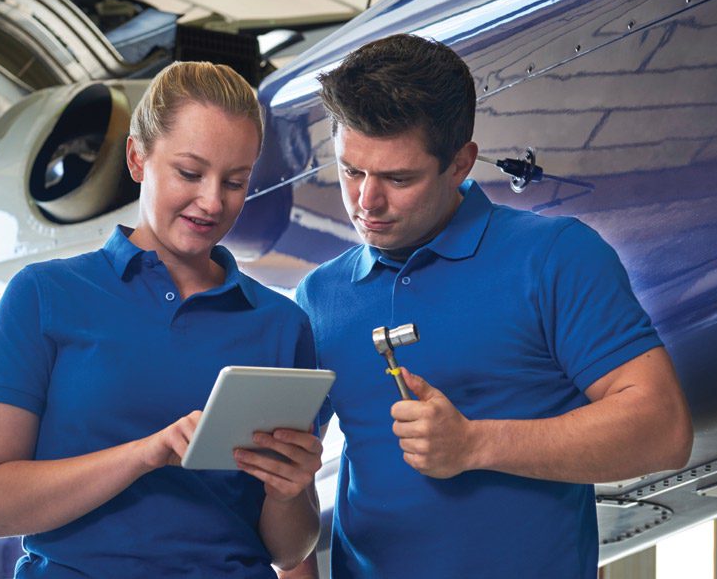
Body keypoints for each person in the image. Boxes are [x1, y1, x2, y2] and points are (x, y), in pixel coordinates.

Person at [288, 34, 693, 578]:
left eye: (397, 178)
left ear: (461, 163)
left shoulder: (554, 257)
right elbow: (281, 475)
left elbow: (663, 430)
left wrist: (476, 444)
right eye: (351, 171)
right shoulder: (319, 296)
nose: (366, 202)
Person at [0, 61, 323, 578]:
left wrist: (289, 492)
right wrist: (144, 455)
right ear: (137, 157)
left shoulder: (282, 325)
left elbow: (290, 551)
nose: (212, 201)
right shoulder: (45, 296)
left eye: (236, 181)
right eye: (190, 173)